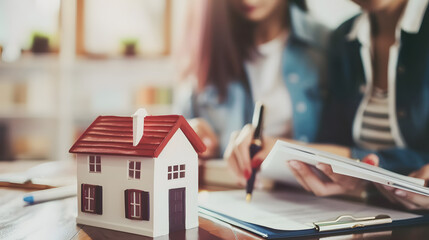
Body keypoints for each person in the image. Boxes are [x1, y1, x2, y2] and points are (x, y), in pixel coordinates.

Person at [225, 0, 429, 196]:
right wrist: (278, 148)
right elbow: (337, 143)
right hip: (367, 205)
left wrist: (357, 164)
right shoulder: (344, 37)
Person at [176, 0, 329, 161]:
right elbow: (181, 136)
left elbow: (348, 154)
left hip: (302, 185)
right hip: (227, 184)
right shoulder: (207, 46)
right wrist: (191, 141)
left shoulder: (327, 46)